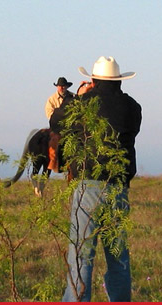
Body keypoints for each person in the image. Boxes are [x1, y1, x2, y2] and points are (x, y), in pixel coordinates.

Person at [50, 56, 142, 302]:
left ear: (92, 79)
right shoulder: (132, 107)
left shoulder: (83, 102)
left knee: (81, 253)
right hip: (118, 187)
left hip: (87, 185)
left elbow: (56, 122)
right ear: (119, 80)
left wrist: (80, 95)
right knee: (118, 254)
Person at [45, 77, 74, 172]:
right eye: (60, 86)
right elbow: (49, 114)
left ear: (67, 87)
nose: (62, 88)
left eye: (64, 86)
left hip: (71, 126)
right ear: (57, 87)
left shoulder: (73, 97)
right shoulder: (52, 99)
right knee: (55, 140)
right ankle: (53, 162)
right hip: (57, 126)